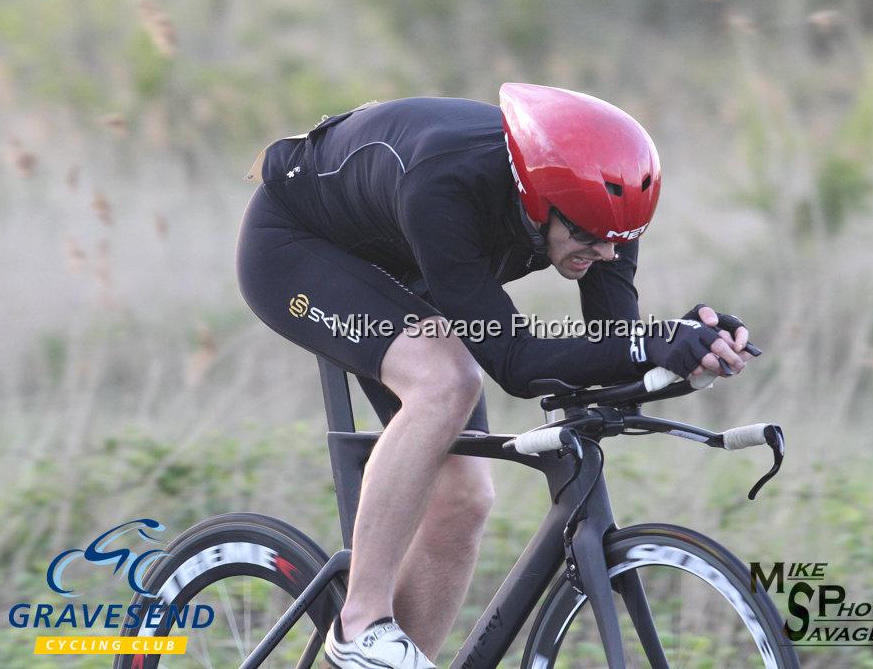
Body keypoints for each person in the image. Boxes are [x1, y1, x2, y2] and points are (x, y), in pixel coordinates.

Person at [236, 83, 751, 668]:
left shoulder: (603, 220)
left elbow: (616, 346)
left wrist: (684, 349)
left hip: (410, 262)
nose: (607, 254)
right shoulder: (448, 184)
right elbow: (514, 362)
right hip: (297, 249)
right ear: (540, 199)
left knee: (466, 497)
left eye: (620, 240)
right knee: (446, 380)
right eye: (588, 237)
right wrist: (648, 344)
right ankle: (359, 624)